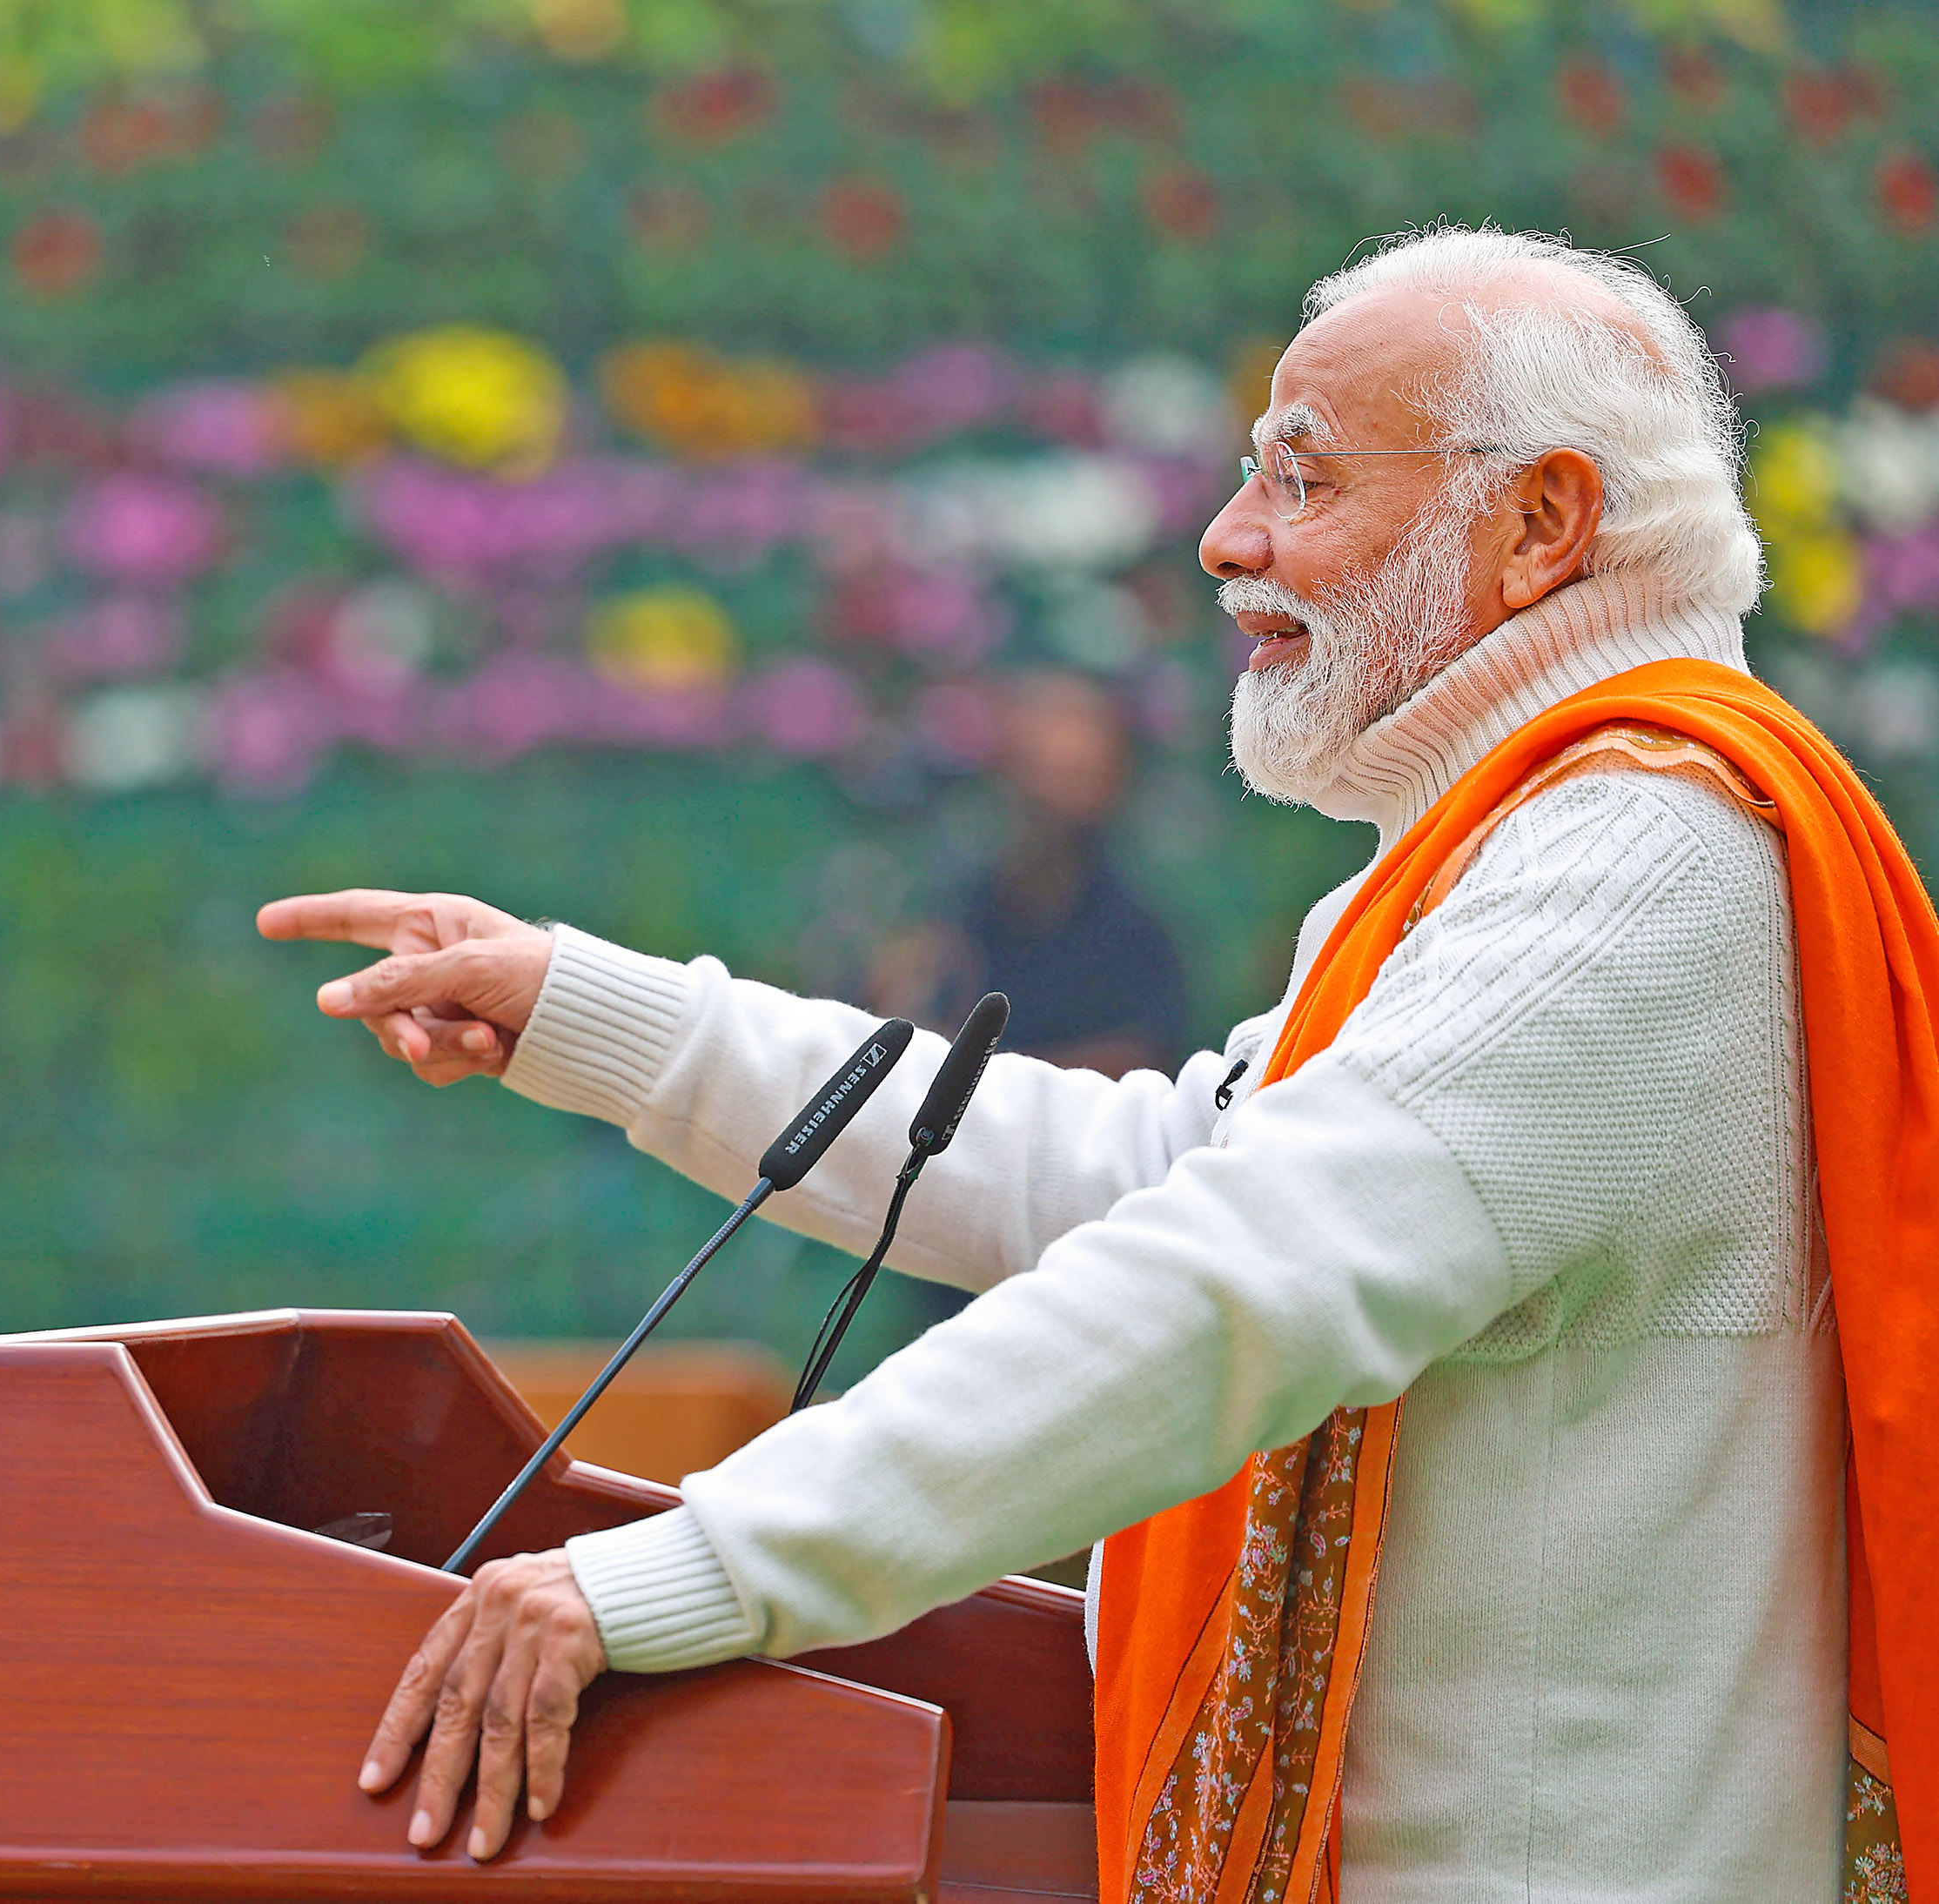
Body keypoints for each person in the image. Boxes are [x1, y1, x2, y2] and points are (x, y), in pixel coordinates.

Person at [258, 226, 1939, 1900]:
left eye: (1304, 474)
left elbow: (1226, 1279)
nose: (1228, 541)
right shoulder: (1543, 834)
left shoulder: (1631, 854)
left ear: (1538, 520)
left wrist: (689, 1567)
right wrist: (596, 1010)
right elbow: (1152, 1180)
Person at [870, 668, 1188, 1080]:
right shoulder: (953, 912)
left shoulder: (1137, 939)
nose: (1051, 802)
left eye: (1075, 778)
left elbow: (1136, 1070)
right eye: (1035, 773)